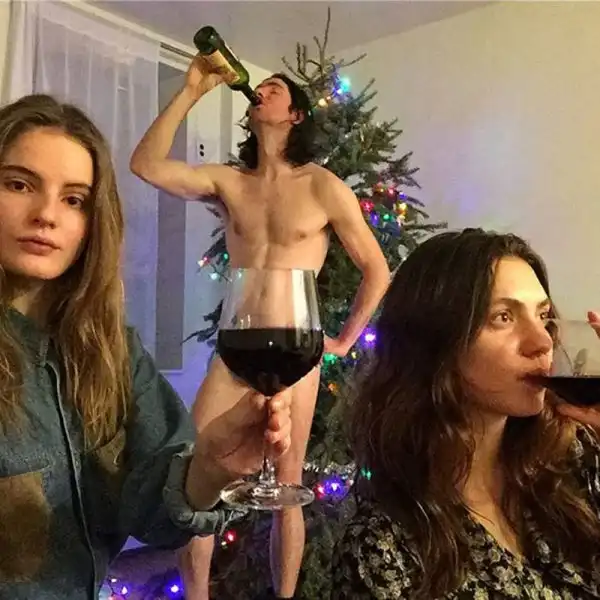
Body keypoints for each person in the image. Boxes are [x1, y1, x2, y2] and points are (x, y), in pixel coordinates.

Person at [0, 93, 294, 600]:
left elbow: (153, 511)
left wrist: (210, 468)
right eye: (19, 184)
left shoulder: (110, 348)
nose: (46, 214)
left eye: (74, 199)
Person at [130, 56, 390, 600]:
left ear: (296, 114)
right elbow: (146, 164)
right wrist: (192, 90)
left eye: (274, 88)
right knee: (195, 474)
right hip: (238, 350)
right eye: (260, 87)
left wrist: (343, 340)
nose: (261, 92)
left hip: (296, 351)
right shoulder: (229, 181)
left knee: (287, 486)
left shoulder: (321, 185)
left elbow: (376, 268)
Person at [332, 227, 600, 599]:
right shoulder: (385, 548)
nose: (542, 342)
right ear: (436, 342)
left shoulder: (577, 462)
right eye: (503, 317)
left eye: (543, 316)